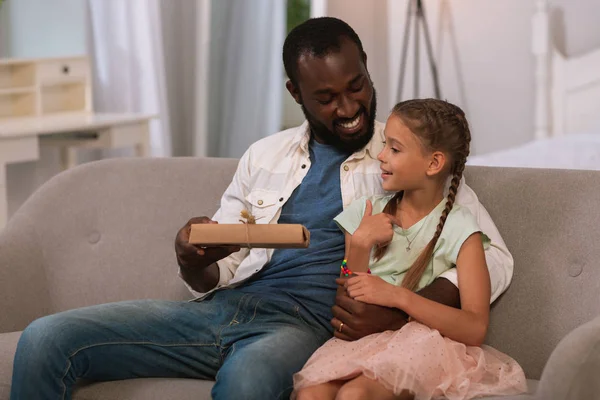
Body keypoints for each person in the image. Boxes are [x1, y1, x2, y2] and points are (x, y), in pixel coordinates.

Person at [10, 18, 513, 400]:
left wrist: (396, 307)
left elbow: (492, 256)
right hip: (222, 309)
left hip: (305, 328)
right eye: (326, 97)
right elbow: (220, 270)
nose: (349, 108)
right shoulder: (265, 155)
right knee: (46, 338)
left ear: (365, 65)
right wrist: (195, 256)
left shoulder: (406, 154)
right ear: (296, 94)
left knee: (247, 379)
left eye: (355, 85)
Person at [293, 99, 527, 400]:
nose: (380, 156)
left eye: (395, 148)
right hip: (363, 340)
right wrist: (362, 242)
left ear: (433, 163)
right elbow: (349, 303)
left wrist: (399, 297)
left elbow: (474, 327)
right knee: (311, 395)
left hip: (421, 346)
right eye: (384, 145)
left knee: (355, 395)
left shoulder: (462, 230)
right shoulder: (365, 213)